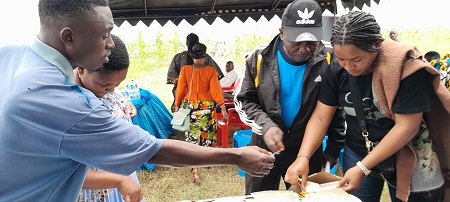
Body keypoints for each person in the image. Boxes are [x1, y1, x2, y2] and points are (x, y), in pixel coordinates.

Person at [0, 1, 275, 201]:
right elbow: (152, 149)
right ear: (69, 37)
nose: (110, 44)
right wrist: (235, 155)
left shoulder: (10, 56)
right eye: (105, 34)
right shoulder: (60, 99)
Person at [285, 11, 450, 202]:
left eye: (356, 59)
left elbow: (407, 126)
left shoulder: (405, 69)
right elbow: (321, 117)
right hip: (359, 149)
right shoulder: (336, 70)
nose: (348, 67)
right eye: (341, 59)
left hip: (408, 153)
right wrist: (303, 157)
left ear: (377, 45)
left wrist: (363, 167)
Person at [234, 0, 345, 195]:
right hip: (264, 147)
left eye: (311, 43)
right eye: (296, 42)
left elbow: (336, 108)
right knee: (258, 198)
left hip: (306, 150)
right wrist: (266, 126)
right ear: (282, 32)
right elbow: (243, 100)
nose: (304, 49)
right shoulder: (259, 58)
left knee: (302, 197)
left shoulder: (329, 59)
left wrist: (334, 147)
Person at [75, 34, 143, 202]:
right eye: (105, 85)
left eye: (117, 85)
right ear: (81, 69)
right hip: (93, 194)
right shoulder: (70, 108)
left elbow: (114, 101)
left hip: (118, 184)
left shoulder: (102, 91)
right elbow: (63, 171)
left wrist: (125, 107)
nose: (112, 91)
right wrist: (118, 181)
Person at [173, 43, 229, 184]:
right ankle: (207, 160)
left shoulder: (185, 70)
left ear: (191, 56)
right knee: (207, 132)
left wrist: (177, 104)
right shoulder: (210, 71)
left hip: (189, 105)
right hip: (207, 105)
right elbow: (216, 90)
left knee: (192, 134)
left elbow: (180, 89)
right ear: (204, 56)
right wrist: (222, 107)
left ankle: (194, 166)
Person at [167, 33, 224, 112]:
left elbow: (172, 75)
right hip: (206, 100)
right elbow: (216, 78)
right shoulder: (205, 57)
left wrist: (177, 102)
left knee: (186, 120)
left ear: (186, 43)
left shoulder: (178, 57)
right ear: (198, 42)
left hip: (186, 98)